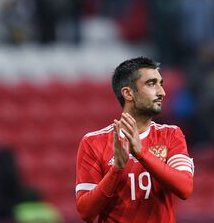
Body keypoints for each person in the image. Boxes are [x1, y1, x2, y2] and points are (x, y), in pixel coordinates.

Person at [75, 57, 194, 222]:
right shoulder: (93, 142)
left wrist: (141, 153)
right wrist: (116, 170)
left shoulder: (171, 134)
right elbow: (86, 212)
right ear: (128, 93)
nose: (161, 92)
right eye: (151, 84)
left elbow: (185, 188)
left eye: (161, 84)